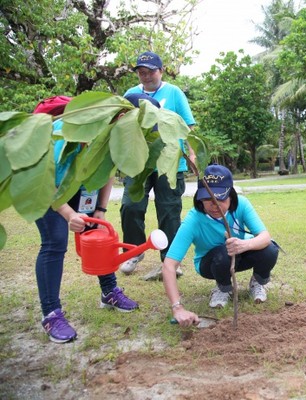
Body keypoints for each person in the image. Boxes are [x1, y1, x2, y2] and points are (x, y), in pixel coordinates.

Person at [34, 98, 138, 344]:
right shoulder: (63, 135)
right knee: (55, 242)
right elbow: (45, 182)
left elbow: (107, 172)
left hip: (80, 188)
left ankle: (109, 291)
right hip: (45, 187)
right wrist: (69, 214)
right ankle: (51, 313)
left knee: (97, 234)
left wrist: (100, 209)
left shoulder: (112, 136)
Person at [162, 165, 279, 320]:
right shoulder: (194, 220)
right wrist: (177, 308)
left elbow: (264, 235)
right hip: (212, 263)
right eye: (208, 199)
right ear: (199, 199)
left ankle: (257, 282)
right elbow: (169, 265)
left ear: (231, 195)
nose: (214, 204)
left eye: (221, 198)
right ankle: (223, 288)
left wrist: (244, 245)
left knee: (270, 248)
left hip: (240, 253)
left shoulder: (242, 205)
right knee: (222, 253)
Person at [120, 51, 196, 280]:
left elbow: (188, 126)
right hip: (138, 163)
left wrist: (192, 153)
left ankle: (171, 261)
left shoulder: (174, 93)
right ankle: (132, 252)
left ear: (161, 71)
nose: (146, 76)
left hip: (170, 163)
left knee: (169, 212)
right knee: (130, 207)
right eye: (141, 72)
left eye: (150, 71)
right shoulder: (131, 94)